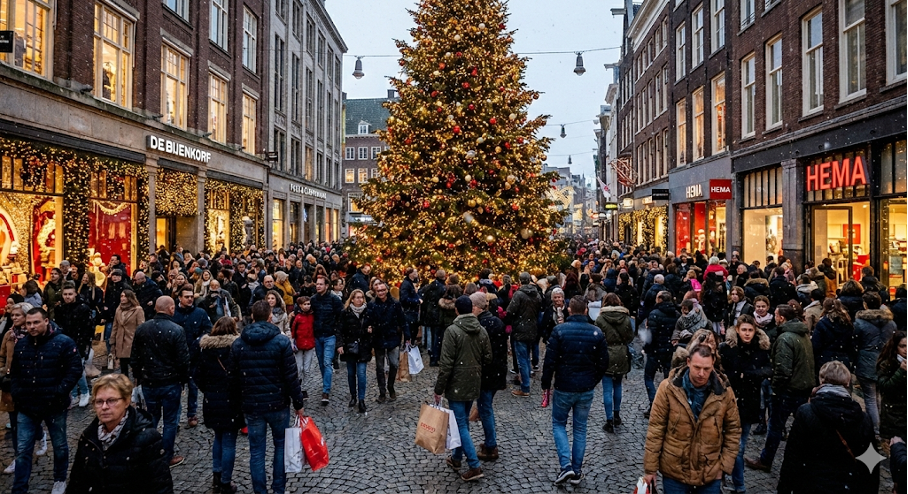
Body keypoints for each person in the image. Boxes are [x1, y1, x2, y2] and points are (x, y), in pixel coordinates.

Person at [643, 344, 741, 494]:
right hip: (674, 472)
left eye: (707, 369)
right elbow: (656, 429)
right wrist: (650, 469)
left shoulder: (725, 393)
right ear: (688, 362)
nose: (701, 373)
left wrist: (724, 467)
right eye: (697, 367)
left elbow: (733, 431)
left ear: (713, 365)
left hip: (710, 474)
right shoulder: (668, 389)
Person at [230, 300, 305, 494]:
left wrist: (238, 403)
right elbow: (291, 376)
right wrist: (298, 403)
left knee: (257, 451)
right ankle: (278, 489)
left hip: (253, 405)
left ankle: (260, 491)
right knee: (280, 446)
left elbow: (233, 377)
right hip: (278, 403)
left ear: (252, 317)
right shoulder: (280, 342)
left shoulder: (239, 343)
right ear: (270, 316)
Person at [9, 307, 83, 494]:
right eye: (29, 323)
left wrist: (59, 391)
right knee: (23, 449)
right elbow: (15, 373)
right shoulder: (22, 345)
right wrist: (17, 393)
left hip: (54, 405)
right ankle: (19, 488)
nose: (32, 326)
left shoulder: (63, 342)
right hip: (27, 406)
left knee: (59, 445)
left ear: (46, 321)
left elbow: (74, 370)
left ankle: (60, 478)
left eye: (36, 322)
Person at [777, 361, 879, 494]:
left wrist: (784, 489)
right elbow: (871, 463)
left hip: (812, 485)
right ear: (847, 383)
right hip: (847, 486)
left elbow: (793, 457)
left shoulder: (806, 412)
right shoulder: (863, 419)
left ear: (821, 380)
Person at [66, 374, 174, 494]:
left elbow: (161, 487)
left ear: (126, 401)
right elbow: (76, 483)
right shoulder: (88, 438)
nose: (104, 407)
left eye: (111, 401)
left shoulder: (147, 438)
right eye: (99, 402)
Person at [541, 295, 609, 486]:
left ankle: (566, 466)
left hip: (564, 385)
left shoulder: (559, 331)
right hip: (585, 388)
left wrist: (546, 384)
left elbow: (550, 362)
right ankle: (576, 470)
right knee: (580, 428)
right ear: (586, 310)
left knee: (558, 424)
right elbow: (603, 362)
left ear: (569, 310)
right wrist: (592, 379)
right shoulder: (596, 332)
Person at [746, 303, 815, 472]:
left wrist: (776, 388)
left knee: (775, 427)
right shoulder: (802, 335)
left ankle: (766, 459)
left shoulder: (786, 338)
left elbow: (783, 369)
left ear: (781, 318)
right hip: (802, 386)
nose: (775, 318)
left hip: (789, 390)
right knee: (802, 426)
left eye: (776, 315)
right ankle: (806, 460)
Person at [434, 295, 492, 482]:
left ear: (457, 310)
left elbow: (446, 364)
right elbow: (488, 357)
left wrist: (439, 389)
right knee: (462, 422)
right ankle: (457, 458)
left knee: (461, 424)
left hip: (457, 384)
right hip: (473, 382)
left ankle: (474, 466)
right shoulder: (481, 330)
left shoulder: (452, 331)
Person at [130, 296, 191, 467]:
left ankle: (147, 452)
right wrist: (183, 380)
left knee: (151, 418)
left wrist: (139, 377)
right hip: (170, 382)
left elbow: (134, 358)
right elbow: (183, 360)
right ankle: (166, 456)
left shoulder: (142, 329)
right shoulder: (176, 330)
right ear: (171, 309)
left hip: (149, 382)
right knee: (170, 421)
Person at [718, 314, 771, 494]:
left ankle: (738, 484)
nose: (747, 334)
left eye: (750, 330)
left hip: (749, 402)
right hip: (729, 402)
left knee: (739, 447)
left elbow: (767, 369)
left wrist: (751, 374)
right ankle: (728, 479)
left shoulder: (761, 349)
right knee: (726, 444)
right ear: (738, 330)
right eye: (744, 330)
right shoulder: (727, 348)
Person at [193, 317, 244, 493]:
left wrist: (208, 390)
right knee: (229, 440)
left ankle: (217, 475)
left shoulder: (205, 350)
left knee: (218, 438)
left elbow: (197, 376)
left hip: (212, 400)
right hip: (231, 400)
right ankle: (225, 481)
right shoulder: (236, 349)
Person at [853, 291, 897, 438]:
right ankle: (883, 427)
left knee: (870, 398)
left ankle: (876, 429)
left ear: (865, 304)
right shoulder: (890, 323)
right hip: (885, 361)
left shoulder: (859, 323)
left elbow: (856, 343)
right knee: (881, 396)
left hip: (866, 361)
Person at [470, 291, 507, 462]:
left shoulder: (480, 325)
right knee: (486, 407)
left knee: (485, 409)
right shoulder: (496, 321)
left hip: (487, 373)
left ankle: (491, 445)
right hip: (497, 371)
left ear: (476, 307)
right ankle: (489, 442)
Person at [171, 285, 212, 428]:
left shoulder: (200, 313)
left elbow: (208, 329)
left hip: (195, 356)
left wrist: (199, 340)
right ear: (180, 298)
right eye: (186, 297)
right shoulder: (174, 313)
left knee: (193, 387)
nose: (189, 299)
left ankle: (192, 413)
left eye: (191, 296)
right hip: (176, 357)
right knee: (176, 388)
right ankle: (174, 419)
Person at [0, 302, 34, 475]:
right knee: (14, 423)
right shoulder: (9, 335)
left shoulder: (33, 335)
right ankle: (18, 457)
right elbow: (2, 356)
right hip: (11, 385)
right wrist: (3, 372)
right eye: (12, 315)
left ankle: (36, 440)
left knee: (28, 421)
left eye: (17, 315)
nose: (14, 318)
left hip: (29, 385)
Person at [367, 280, 409, 403]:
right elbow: (368, 319)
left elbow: (402, 320)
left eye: (383, 290)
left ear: (386, 290)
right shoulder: (372, 304)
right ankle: (382, 392)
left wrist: (407, 335)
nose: (381, 293)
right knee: (380, 367)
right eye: (378, 291)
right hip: (379, 337)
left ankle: (390, 386)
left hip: (392, 337)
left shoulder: (395, 304)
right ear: (376, 291)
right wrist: (369, 327)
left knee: (394, 364)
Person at [54, 282, 93, 407]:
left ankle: (85, 392)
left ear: (75, 293)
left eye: (70, 294)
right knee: (67, 369)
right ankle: (74, 394)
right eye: (65, 294)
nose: (67, 297)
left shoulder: (83, 308)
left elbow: (88, 328)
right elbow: (59, 326)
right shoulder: (60, 308)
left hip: (79, 342)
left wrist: (85, 344)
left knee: (78, 369)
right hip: (65, 342)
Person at [506, 272, 542, 397]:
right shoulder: (536, 294)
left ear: (520, 281)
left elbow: (510, 311)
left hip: (520, 329)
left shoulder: (519, 295)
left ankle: (525, 387)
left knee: (522, 359)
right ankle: (526, 382)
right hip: (532, 328)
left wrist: (510, 321)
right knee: (526, 357)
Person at [644, 291, 680, 416]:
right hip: (669, 350)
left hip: (655, 350)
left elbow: (651, 335)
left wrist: (647, 348)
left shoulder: (654, 314)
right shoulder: (676, 314)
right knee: (667, 378)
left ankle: (654, 403)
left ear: (660, 299)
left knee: (649, 377)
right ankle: (666, 404)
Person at [310, 276, 342, 406]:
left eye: (321, 284)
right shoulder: (313, 300)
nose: (318, 286)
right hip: (318, 335)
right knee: (321, 362)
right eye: (317, 284)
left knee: (327, 362)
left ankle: (326, 391)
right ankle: (326, 382)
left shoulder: (334, 299)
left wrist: (338, 335)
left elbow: (340, 317)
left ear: (326, 286)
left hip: (330, 335)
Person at [338, 289, 371, 413]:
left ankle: (361, 399)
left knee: (361, 374)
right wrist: (340, 345)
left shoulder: (367, 312)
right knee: (351, 374)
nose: (359, 299)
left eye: (361, 297)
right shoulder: (345, 313)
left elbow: (373, 326)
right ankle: (353, 396)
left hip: (363, 347)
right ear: (352, 299)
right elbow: (340, 330)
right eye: (357, 297)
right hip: (350, 347)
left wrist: (370, 332)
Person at [877, 331, 907, 447]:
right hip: (893, 417)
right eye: (902, 346)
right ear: (895, 347)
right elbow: (885, 387)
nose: (906, 350)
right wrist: (901, 372)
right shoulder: (887, 364)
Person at [811, 298, 856, 373]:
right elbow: (851, 343)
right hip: (843, 358)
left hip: (826, 359)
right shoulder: (847, 322)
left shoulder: (822, 323)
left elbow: (816, 345)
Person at [110, 289, 145, 379]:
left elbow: (141, 326)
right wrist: (112, 340)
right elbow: (115, 325)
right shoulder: (118, 309)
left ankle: (136, 385)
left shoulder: (137, 310)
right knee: (123, 365)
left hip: (132, 340)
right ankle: (125, 383)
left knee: (134, 365)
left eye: (125, 296)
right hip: (120, 340)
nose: (122, 298)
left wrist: (140, 341)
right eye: (121, 296)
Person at [419, 269, 447, 366]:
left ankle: (432, 355)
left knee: (432, 335)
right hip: (437, 314)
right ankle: (435, 357)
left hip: (429, 314)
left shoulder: (429, 287)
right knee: (437, 336)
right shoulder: (442, 288)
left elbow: (423, 298)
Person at [290, 296, 315, 400]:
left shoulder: (312, 316)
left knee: (307, 369)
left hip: (309, 344)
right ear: (300, 305)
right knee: (299, 368)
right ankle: (298, 385)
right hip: (299, 345)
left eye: (308, 304)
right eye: (305, 304)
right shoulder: (298, 317)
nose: (307, 306)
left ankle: (304, 388)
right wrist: (292, 342)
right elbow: (293, 330)